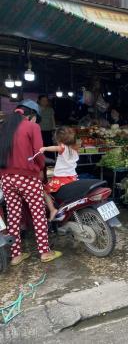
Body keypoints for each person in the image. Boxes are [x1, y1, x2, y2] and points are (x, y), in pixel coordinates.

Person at [0, 100, 62, 265]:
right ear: (32, 115)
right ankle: (45, 252)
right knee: (38, 214)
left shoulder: (4, 126)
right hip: (27, 177)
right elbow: (39, 154)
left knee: (13, 217)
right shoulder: (32, 126)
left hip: (6, 178)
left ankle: (16, 255)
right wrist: (41, 168)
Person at [40, 127, 79, 221]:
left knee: (44, 190)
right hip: (73, 177)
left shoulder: (62, 148)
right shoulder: (75, 148)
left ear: (60, 140)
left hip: (61, 178)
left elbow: (57, 148)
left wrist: (44, 148)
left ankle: (52, 210)